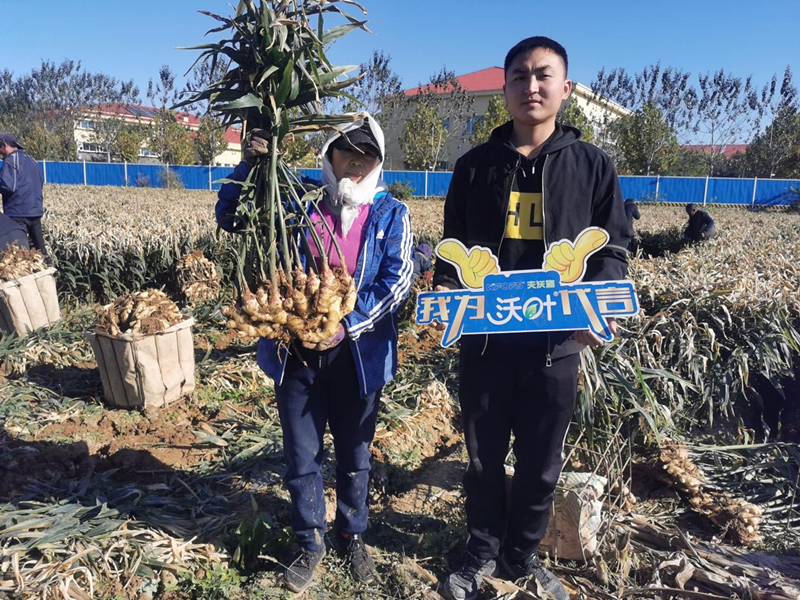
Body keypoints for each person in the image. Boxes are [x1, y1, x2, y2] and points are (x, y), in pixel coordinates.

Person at [433, 36, 629, 600]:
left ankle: (523, 558)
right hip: (487, 343)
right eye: (519, 76)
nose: (531, 86)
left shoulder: (592, 165)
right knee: (482, 458)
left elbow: (613, 246)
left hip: (556, 344)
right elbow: (452, 246)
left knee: (542, 464)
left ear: (565, 89)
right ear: (505, 88)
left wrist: (601, 300)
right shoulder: (474, 167)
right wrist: (446, 290)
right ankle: (481, 551)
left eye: (544, 76)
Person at [216, 115, 413, 593]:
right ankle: (309, 541)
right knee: (302, 454)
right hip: (296, 351)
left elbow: (398, 281)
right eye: (345, 151)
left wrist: (345, 324)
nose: (355, 162)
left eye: (366, 155)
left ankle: (352, 534)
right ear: (328, 155)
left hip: (360, 356)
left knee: (355, 451)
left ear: (378, 161)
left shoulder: (392, 214)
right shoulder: (297, 197)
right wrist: (250, 167)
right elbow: (231, 217)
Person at [0, 133, 47, 256]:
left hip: (17, 212)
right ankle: (49, 269)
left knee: (18, 251)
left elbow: (8, 186)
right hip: (35, 211)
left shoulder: (10, 161)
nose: (0, 154)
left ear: (4, 145)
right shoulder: (32, 160)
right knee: (39, 248)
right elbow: (40, 182)